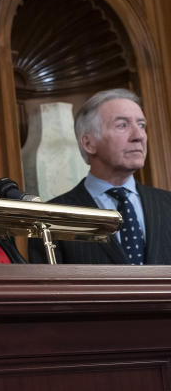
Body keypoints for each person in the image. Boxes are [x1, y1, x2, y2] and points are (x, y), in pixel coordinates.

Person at [29, 88, 171, 264]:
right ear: (88, 143)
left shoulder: (167, 204)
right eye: (122, 125)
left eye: (141, 125)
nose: (139, 136)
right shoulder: (52, 219)